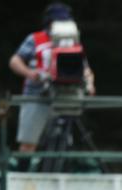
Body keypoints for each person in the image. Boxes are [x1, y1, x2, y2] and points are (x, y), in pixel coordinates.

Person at [9, 2, 95, 157]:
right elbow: (15, 61)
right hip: (37, 95)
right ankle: (23, 172)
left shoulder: (73, 42)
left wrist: (89, 83)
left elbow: (85, 68)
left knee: (68, 141)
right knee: (29, 142)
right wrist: (30, 73)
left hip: (66, 97)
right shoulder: (35, 39)